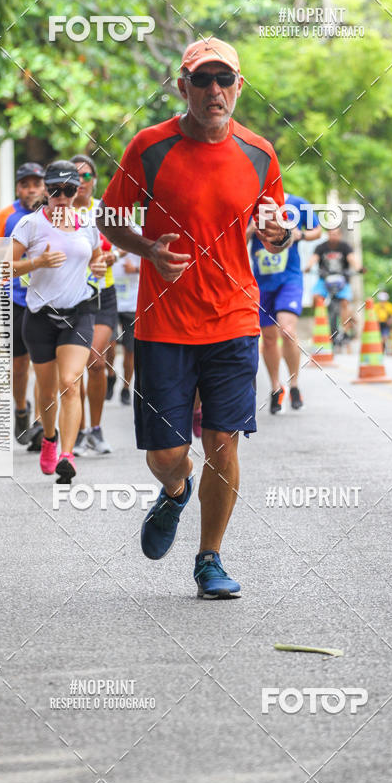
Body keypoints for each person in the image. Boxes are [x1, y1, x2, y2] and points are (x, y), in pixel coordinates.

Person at [98, 37, 290, 599]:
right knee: (166, 454)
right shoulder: (149, 148)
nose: (214, 91)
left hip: (233, 319)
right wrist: (148, 249)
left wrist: (280, 233)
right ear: (182, 86)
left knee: (223, 441)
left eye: (223, 80)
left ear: (238, 86)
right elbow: (110, 221)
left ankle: (210, 559)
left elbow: (272, 228)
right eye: (201, 80)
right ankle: (175, 490)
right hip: (163, 324)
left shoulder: (260, 153)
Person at [10, 161, 106, 483]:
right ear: (46, 191)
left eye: (69, 190)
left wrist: (99, 269)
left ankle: (67, 455)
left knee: (70, 382)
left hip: (78, 313)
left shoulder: (87, 224)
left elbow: (95, 259)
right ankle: (49, 439)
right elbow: (0, 266)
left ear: (78, 192)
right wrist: (36, 261)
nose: (62, 197)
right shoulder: (30, 225)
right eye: (55, 190)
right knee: (48, 391)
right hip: (39, 318)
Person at [0, 162, 45, 446]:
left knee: (45, 363)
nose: (31, 189)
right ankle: (21, 410)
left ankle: (42, 425)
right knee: (19, 365)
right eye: (25, 184)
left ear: (45, 186)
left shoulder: (53, 215)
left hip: (47, 300)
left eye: (36, 183)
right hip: (16, 299)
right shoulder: (7, 216)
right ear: (18, 188)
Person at [247, 194, 320, 413]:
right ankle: (275, 387)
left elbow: (317, 230)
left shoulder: (297, 203)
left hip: (289, 277)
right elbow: (233, 239)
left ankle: (294, 385)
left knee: (287, 331)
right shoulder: (249, 204)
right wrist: (250, 230)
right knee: (268, 339)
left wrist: (300, 235)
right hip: (262, 281)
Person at [69, 154, 117, 457]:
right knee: (73, 370)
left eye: (87, 176)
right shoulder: (58, 215)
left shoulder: (104, 211)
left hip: (103, 295)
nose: (82, 182)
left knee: (96, 361)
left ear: (94, 180)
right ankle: (79, 429)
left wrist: (115, 257)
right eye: (76, 176)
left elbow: (127, 243)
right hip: (72, 297)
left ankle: (96, 430)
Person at [306, 225, 360, 341]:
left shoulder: (345, 247)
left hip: (342, 281)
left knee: (345, 302)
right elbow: (314, 258)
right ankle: (320, 322)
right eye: (331, 234)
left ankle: (345, 331)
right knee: (316, 297)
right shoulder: (321, 247)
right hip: (324, 280)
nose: (333, 236)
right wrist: (308, 266)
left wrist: (358, 267)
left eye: (335, 234)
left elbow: (352, 259)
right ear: (328, 235)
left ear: (340, 235)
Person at [108, 222, 142, 405]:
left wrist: (135, 269)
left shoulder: (139, 232)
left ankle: (126, 387)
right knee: (109, 345)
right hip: (109, 299)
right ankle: (110, 374)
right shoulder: (104, 228)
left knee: (130, 350)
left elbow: (152, 265)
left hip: (132, 300)